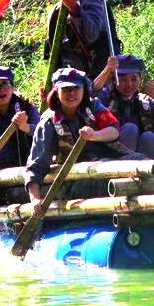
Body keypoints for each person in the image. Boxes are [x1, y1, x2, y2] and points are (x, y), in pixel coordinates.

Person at [24, 68, 139, 214]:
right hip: (76, 180)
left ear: (84, 90)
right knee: (106, 181)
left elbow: (114, 130)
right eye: (66, 89)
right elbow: (35, 166)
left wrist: (94, 135)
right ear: (56, 92)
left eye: (76, 88)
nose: (71, 93)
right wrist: (35, 199)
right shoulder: (48, 123)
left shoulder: (94, 106)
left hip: (107, 164)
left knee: (139, 161)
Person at [93, 54, 154, 174]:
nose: (129, 85)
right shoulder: (105, 97)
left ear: (140, 79)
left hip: (146, 158)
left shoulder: (145, 101)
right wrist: (107, 70)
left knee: (149, 136)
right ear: (114, 79)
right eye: (123, 80)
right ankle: (130, 172)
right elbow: (90, 92)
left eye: (134, 79)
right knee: (130, 129)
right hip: (115, 158)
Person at [43, 0, 121, 78]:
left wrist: (74, 8)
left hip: (102, 74)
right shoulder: (55, 12)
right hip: (72, 78)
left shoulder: (95, 1)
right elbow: (54, 52)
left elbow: (91, 35)